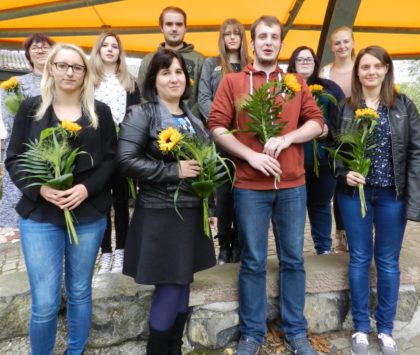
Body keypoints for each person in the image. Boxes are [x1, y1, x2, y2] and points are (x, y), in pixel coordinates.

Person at [208, 16, 323, 355]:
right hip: (249, 186)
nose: (269, 41)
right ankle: (252, 333)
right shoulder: (233, 82)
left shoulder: (295, 82)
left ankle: (296, 331)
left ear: (281, 43)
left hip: (292, 185)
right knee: (254, 261)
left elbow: (316, 123)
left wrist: (288, 138)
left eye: (275, 36)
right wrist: (250, 156)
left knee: (293, 260)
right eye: (263, 36)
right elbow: (216, 126)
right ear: (253, 42)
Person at [5, 43, 117, 355]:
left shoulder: (100, 112)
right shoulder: (30, 109)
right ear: (51, 68)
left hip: (88, 214)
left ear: (85, 72)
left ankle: (75, 351)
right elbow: (13, 159)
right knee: (45, 301)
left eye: (76, 67)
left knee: (80, 290)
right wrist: (39, 189)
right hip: (40, 215)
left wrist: (85, 188)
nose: (69, 72)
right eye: (63, 65)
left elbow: (111, 162)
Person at [118, 49, 216, 355]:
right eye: (165, 72)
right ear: (153, 80)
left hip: (190, 213)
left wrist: (210, 208)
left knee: (183, 283)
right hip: (160, 214)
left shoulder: (193, 118)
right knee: (170, 286)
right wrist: (173, 170)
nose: (174, 78)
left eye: (178, 72)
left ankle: (173, 349)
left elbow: (206, 166)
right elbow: (125, 161)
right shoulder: (141, 114)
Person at [331, 45, 420, 355]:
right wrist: (344, 174)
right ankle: (359, 328)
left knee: (387, 262)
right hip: (355, 195)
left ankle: (385, 329)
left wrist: (413, 198)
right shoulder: (346, 107)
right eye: (364, 67)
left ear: (386, 69)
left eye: (376, 66)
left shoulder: (404, 106)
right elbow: (334, 154)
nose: (370, 72)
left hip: (391, 195)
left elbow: (415, 153)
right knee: (358, 258)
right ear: (357, 72)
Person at [198, 18, 250, 264]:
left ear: (242, 38)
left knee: (244, 190)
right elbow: (203, 98)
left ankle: (240, 242)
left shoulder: (250, 66)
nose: (231, 38)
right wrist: (221, 123)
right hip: (220, 138)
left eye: (236, 34)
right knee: (223, 192)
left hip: (246, 138)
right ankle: (224, 244)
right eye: (227, 34)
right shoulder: (212, 64)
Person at [90, 31, 140, 273]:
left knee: (121, 200)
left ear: (120, 52)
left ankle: (122, 249)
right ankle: (106, 252)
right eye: (105, 46)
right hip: (97, 149)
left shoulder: (129, 81)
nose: (110, 50)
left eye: (115, 46)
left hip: (122, 148)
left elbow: (135, 115)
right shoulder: (89, 80)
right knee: (101, 201)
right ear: (98, 50)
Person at [287, 46, 345, 255]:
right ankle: (295, 252)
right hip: (294, 162)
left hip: (324, 161)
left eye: (308, 59)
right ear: (292, 63)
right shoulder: (283, 88)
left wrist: (329, 130)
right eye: (299, 59)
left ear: (316, 63)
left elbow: (343, 120)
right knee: (295, 210)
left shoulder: (330, 88)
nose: (304, 62)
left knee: (320, 206)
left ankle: (323, 250)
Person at [0, 33, 54, 240]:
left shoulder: (62, 81)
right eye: (35, 47)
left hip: (53, 151)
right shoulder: (15, 84)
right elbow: (9, 119)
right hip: (24, 148)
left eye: (45, 46)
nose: (40, 50)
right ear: (28, 55)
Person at [320, 26, 356, 252]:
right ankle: (342, 235)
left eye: (346, 42)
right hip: (336, 133)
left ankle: (362, 231)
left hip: (361, 131)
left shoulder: (362, 66)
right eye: (337, 43)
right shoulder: (325, 72)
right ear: (331, 46)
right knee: (339, 183)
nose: (342, 46)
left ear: (353, 43)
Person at [137, 6, 204, 118]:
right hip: (156, 124)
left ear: (185, 28)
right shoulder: (148, 60)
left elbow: (202, 97)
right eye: (169, 24)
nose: (174, 28)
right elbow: (142, 95)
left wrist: (187, 120)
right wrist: (157, 118)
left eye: (179, 24)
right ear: (161, 27)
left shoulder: (199, 60)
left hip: (190, 127)